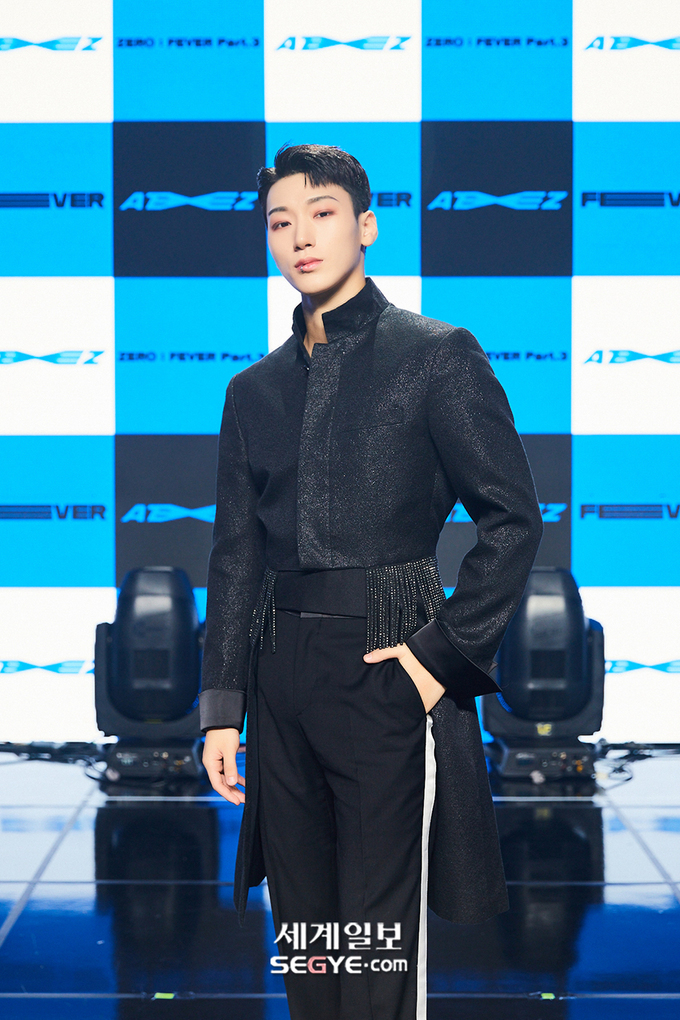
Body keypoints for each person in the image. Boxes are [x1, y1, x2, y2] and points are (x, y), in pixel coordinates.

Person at [200, 144, 543, 1020]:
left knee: (379, 945)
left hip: (386, 666)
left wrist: (438, 659)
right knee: (309, 941)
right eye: (281, 221)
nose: (300, 237)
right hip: (279, 680)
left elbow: (512, 519)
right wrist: (222, 707)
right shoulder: (253, 390)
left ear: (367, 226)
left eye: (322, 214)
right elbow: (236, 557)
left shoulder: (436, 355)